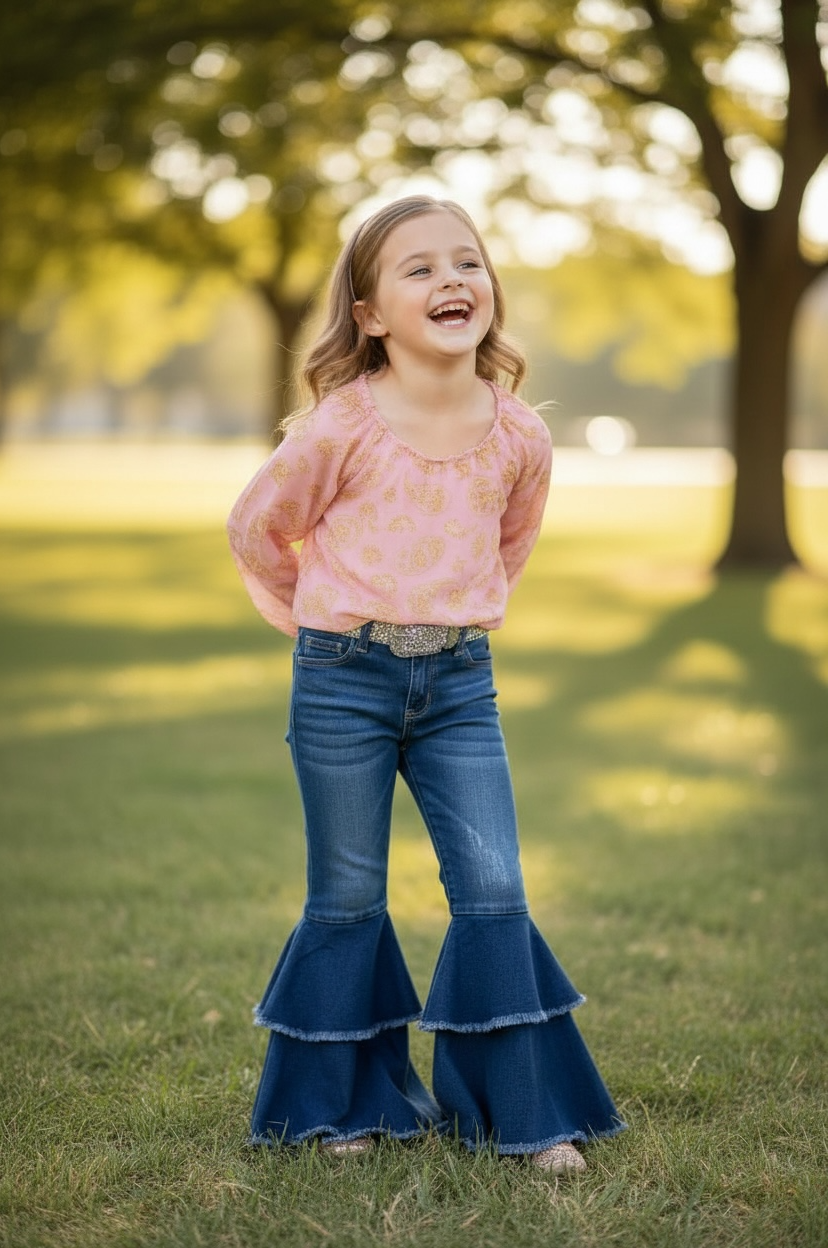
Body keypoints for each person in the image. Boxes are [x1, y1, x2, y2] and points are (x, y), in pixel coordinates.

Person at [227, 194, 626, 1175]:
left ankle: (522, 1115)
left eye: (467, 262)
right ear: (368, 313)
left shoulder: (520, 434)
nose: (452, 281)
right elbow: (256, 529)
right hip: (340, 683)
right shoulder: (339, 428)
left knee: (494, 888)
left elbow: (507, 550)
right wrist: (315, 621)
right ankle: (340, 1108)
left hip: (458, 684)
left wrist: (451, 622)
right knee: (348, 895)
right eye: (419, 269)